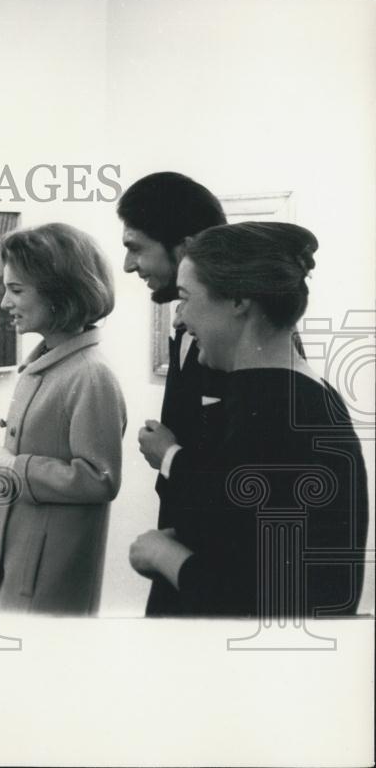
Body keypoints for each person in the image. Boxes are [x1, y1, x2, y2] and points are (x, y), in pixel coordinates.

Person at [128, 222, 369, 616]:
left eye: (186, 299)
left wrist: (164, 555)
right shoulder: (292, 394)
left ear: (238, 300)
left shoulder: (276, 412)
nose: (179, 318)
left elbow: (256, 598)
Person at [0, 223, 126, 614]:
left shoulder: (90, 375)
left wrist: (11, 466)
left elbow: (99, 479)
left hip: (51, 577)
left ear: (60, 294)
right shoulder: (46, 365)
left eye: (17, 290)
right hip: (20, 561)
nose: (5, 302)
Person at [117, 172, 228, 615]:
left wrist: (169, 455)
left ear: (183, 247)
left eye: (136, 247)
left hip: (216, 577)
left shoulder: (238, 348)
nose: (128, 266)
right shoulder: (184, 330)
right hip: (178, 548)